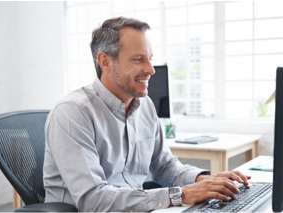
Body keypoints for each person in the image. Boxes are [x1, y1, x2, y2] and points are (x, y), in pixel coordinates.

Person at [43, 16, 251, 212]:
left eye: (150, 58)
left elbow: (164, 166)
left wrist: (205, 181)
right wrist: (179, 195)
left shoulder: (145, 105)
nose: (151, 69)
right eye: (138, 59)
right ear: (105, 61)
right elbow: (93, 200)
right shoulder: (73, 113)